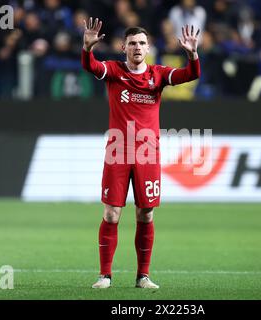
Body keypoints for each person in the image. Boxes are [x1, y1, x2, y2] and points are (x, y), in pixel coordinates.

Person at [81, 17, 200, 289]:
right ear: (123, 47)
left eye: (142, 43)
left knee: (145, 213)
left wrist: (192, 54)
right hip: (118, 151)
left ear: (149, 48)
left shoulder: (157, 75)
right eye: (132, 43)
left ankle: (143, 276)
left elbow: (190, 75)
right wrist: (87, 49)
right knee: (112, 213)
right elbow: (90, 66)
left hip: (148, 153)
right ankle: (105, 275)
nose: (137, 47)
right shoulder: (113, 71)